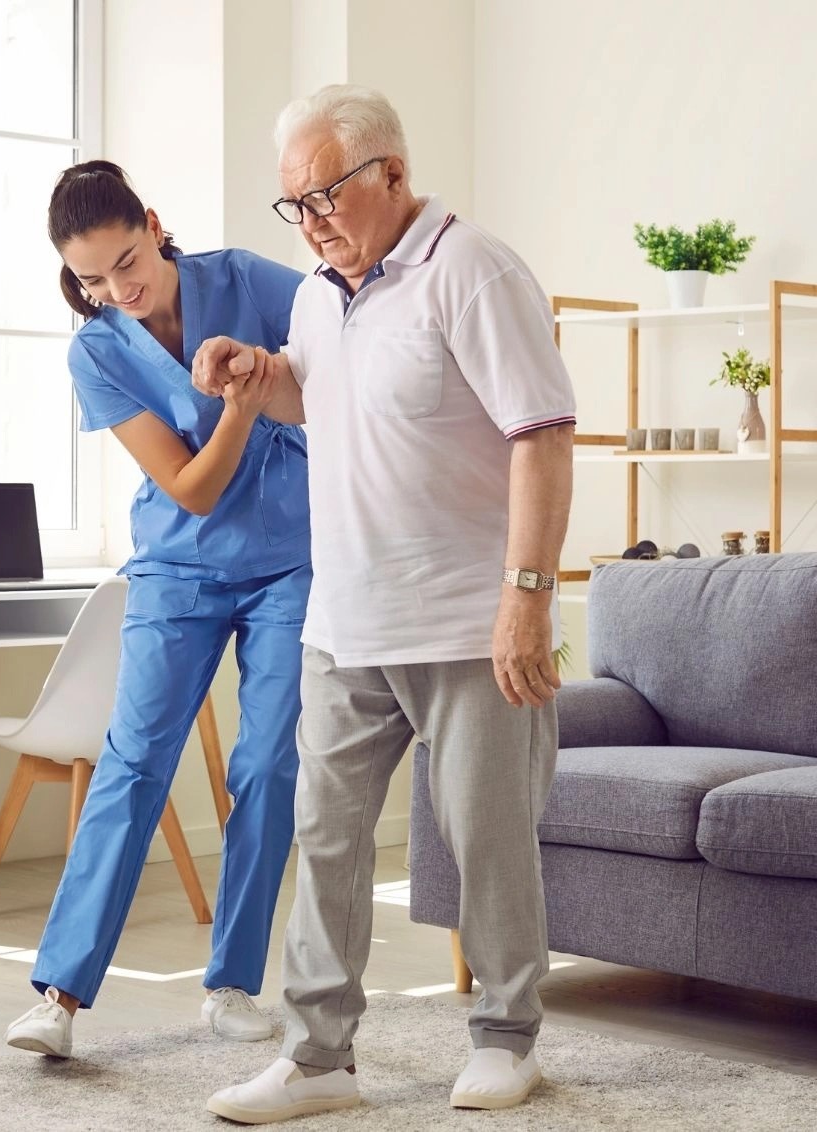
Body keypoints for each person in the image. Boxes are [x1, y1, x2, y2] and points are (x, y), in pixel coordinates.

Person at [194, 85, 576, 1122]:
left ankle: (507, 1035)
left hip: (466, 618)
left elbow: (539, 435)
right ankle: (318, 1056)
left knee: (484, 834)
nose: (309, 219)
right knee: (324, 835)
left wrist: (525, 601)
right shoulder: (318, 294)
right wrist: (256, 374)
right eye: (293, 203)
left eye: (324, 194)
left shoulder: (473, 270)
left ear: (391, 176)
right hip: (346, 620)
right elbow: (321, 399)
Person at [4, 160, 310, 1060]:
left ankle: (232, 985)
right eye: (93, 278)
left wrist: (271, 379)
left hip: (292, 563)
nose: (118, 289)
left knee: (264, 767)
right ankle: (58, 996)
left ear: (154, 223)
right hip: (178, 569)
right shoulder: (97, 349)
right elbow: (189, 487)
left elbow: (349, 331)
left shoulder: (250, 280)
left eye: (127, 261)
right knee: (133, 765)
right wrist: (244, 412)